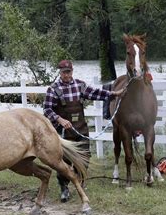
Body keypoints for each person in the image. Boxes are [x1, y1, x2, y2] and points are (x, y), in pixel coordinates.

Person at [43, 60, 125, 202]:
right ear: (60, 72)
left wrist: (115, 94)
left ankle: (80, 183)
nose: (67, 75)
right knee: (64, 161)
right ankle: (64, 187)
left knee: (85, 157)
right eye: (64, 72)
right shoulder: (53, 89)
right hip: (63, 132)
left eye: (69, 72)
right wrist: (59, 119)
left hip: (81, 129)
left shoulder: (80, 85)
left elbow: (96, 93)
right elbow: (47, 110)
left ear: (72, 71)